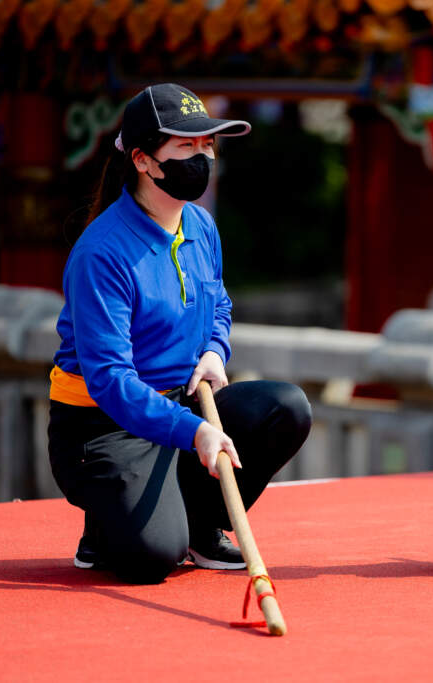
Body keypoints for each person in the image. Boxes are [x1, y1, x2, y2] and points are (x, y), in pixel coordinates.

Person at [47, 83, 312, 584]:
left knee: (287, 408)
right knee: (153, 559)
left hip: (184, 401)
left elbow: (219, 303)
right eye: (186, 146)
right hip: (105, 423)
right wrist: (194, 431)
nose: (202, 157)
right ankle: (105, 525)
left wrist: (214, 350)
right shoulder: (101, 253)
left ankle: (201, 525)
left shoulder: (202, 226)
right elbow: (109, 380)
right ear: (144, 161)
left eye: (207, 145)